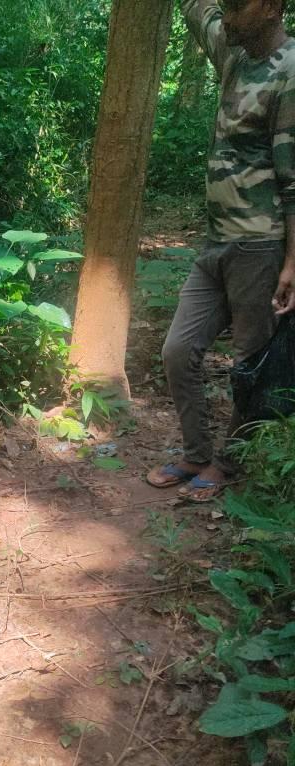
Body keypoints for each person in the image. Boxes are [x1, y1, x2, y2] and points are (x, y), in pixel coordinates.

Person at [147, 0, 295, 501]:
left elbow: (293, 179)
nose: (227, 15)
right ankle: (195, 452)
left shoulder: (291, 70)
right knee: (178, 350)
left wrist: (292, 261)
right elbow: (198, 10)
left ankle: (228, 463)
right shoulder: (233, 52)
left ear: (271, 8)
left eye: (238, 5)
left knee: (249, 365)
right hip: (215, 243)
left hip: (261, 246)